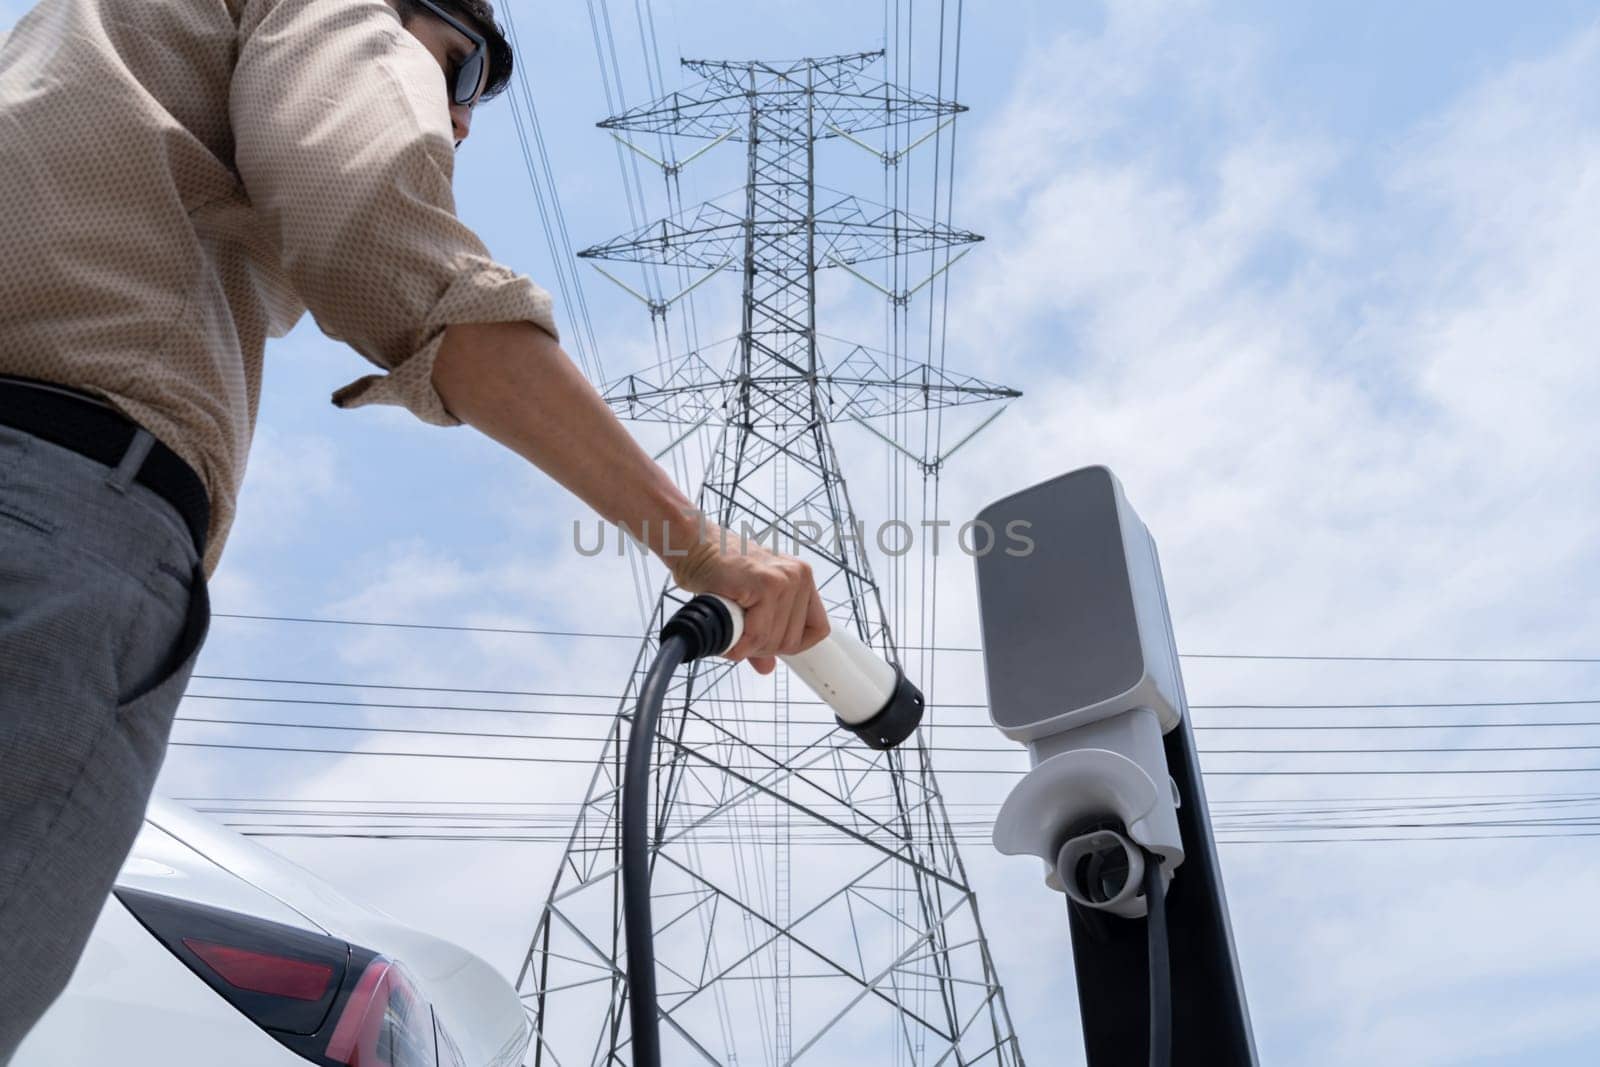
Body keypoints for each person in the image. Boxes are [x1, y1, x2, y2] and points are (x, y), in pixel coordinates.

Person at [0, 0, 828, 1057]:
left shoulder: (72, 37)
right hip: (55, 495)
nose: (465, 120)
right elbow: (377, 232)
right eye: (464, 69)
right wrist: (705, 552)